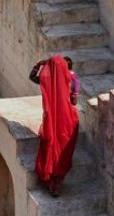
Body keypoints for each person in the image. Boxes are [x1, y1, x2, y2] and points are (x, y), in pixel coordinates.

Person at [29, 56, 79, 196]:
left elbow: (32, 77)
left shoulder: (47, 80)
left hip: (51, 120)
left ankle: (50, 181)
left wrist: (38, 64)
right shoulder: (71, 78)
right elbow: (74, 101)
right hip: (67, 121)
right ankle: (57, 182)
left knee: (50, 146)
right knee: (63, 150)